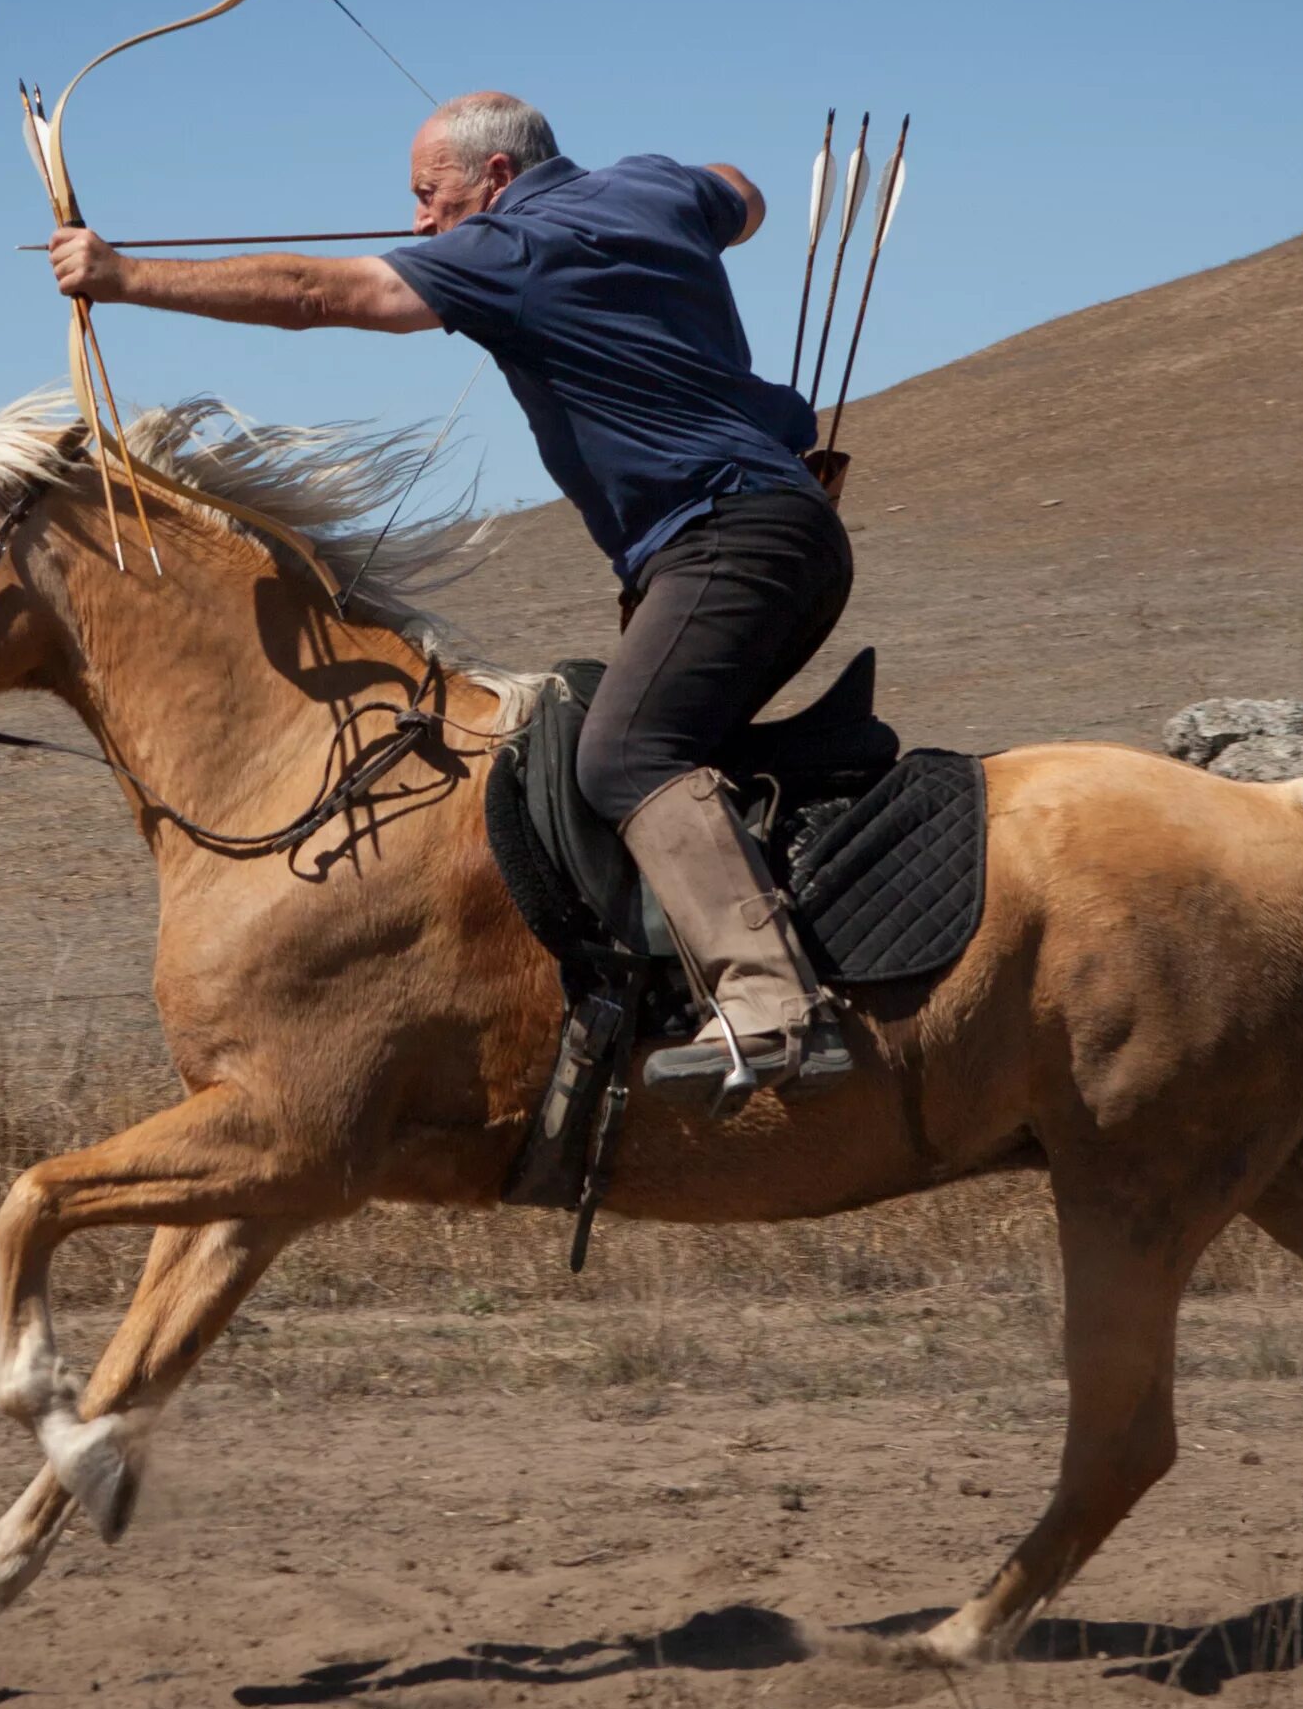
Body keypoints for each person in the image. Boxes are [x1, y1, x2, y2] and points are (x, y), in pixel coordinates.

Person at [48, 92, 853, 1094]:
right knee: (647, 746)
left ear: (497, 179)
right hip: (792, 526)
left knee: (625, 756)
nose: (420, 223)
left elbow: (311, 291)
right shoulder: (652, 183)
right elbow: (744, 191)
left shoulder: (503, 250)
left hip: (724, 541)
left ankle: (773, 1008)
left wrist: (122, 277)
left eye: (429, 196)